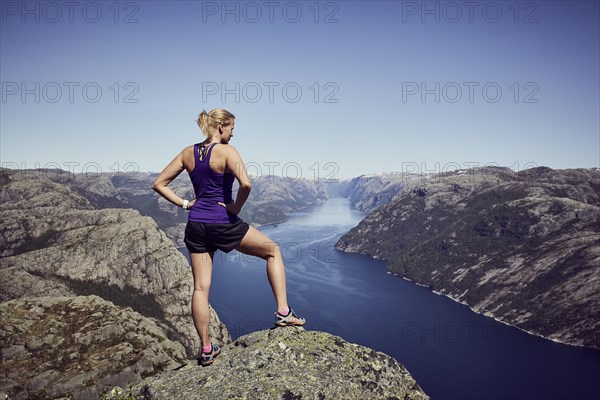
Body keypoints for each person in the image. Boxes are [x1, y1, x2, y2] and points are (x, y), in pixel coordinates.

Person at [151, 108, 305, 366]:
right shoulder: (227, 152)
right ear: (221, 126)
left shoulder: (188, 152)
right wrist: (234, 208)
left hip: (196, 225)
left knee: (201, 288)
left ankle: (206, 348)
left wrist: (186, 204)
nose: (233, 134)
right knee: (273, 251)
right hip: (222, 222)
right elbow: (246, 184)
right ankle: (283, 313)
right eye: (232, 129)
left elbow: (158, 183)